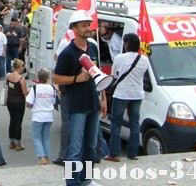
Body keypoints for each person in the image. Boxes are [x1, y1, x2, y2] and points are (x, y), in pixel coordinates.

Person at [53, 10, 107, 186]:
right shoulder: (68, 53)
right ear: (74, 29)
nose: (87, 28)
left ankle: (86, 179)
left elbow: (98, 74)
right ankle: (72, 182)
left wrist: (103, 99)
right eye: (83, 26)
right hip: (76, 106)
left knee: (90, 146)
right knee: (75, 148)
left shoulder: (93, 47)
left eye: (88, 25)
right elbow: (56, 78)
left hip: (93, 103)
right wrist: (77, 78)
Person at [105, 33, 149, 162]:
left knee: (116, 124)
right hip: (137, 94)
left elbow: (114, 75)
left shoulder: (119, 57)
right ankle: (132, 154)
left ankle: (114, 154)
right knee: (135, 124)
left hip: (121, 94)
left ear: (127, 43)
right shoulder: (144, 60)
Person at [26, 69, 56, 165]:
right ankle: (46, 156)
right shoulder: (52, 88)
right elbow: (54, 102)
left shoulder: (35, 88)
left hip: (38, 116)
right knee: (45, 137)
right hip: (49, 116)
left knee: (37, 137)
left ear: (38, 77)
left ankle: (41, 157)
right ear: (48, 78)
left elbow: (28, 103)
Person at [6, 59, 28, 151]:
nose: (23, 69)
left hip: (10, 101)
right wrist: (29, 90)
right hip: (19, 102)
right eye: (23, 67)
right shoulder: (21, 79)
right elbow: (25, 92)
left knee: (12, 121)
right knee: (18, 123)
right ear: (19, 67)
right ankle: (18, 143)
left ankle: (11, 142)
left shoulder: (8, 76)